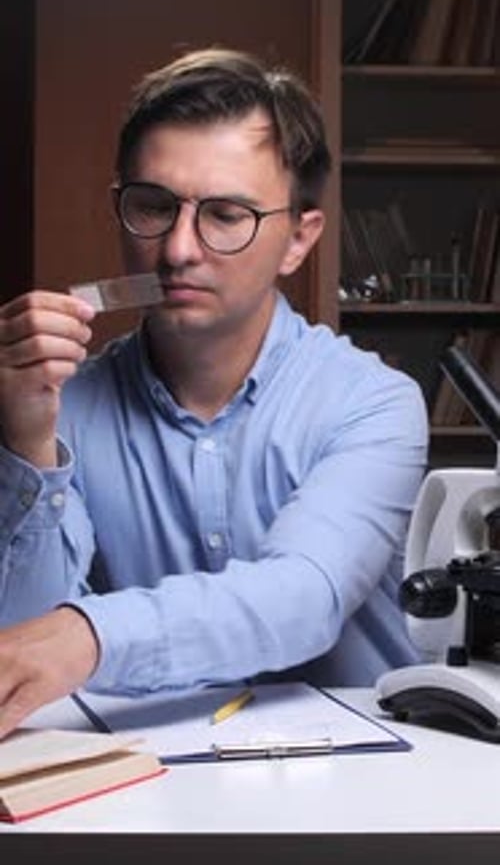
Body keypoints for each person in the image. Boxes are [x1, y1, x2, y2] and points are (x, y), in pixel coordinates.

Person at [0, 47, 428, 738]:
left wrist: (90, 635)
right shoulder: (65, 405)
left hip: (366, 794)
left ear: (298, 239)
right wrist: (25, 443)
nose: (177, 250)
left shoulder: (373, 404)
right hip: (156, 792)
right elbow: (22, 656)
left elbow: (303, 597)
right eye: (153, 206)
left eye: (226, 214)